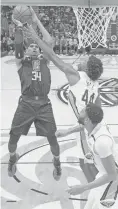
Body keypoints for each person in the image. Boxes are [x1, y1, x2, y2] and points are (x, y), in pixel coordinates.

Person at [24, 19, 103, 182]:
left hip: (86, 130)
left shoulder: (76, 77)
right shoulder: (95, 84)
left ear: (87, 68)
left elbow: (52, 55)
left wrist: (35, 38)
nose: (82, 58)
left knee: (87, 165)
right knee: (91, 163)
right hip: (97, 128)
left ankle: (98, 194)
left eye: (85, 60)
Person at [8, 7, 62, 181]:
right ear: (26, 50)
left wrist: (36, 20)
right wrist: (18, 27)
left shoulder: (44, 60)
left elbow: (49, 40)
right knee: (13, 137)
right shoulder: (21, 62)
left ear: (39, 50)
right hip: (26, 103)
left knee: (52, 137)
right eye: (30, 45)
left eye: (35, 46)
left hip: (44, 104)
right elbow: (17, 45)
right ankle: (12, 157)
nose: (33, 47)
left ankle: (57, 161)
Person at [56, 103, 118, 209]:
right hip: (105, 172)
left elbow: (112, 175)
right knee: (91, 205)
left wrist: (83, 188)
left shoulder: (101, 143)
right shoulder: (97, 124)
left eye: (82, 112)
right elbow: (82, 126)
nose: (79, 112)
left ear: (87, 120)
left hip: (116, 177)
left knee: (103, 205)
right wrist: (67, 131)